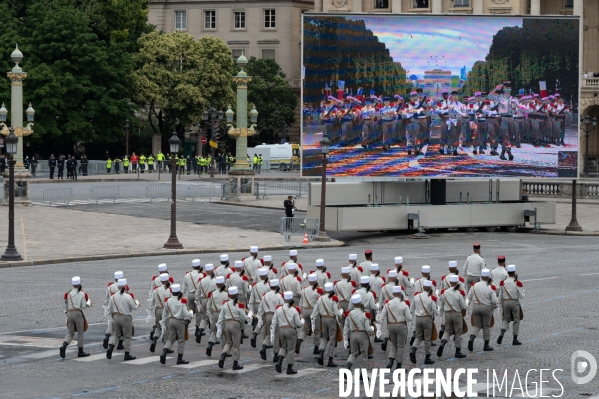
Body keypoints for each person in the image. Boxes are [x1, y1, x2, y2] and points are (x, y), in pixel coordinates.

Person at [216, 286, 251, 370]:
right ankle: (235, 363)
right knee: (236, 344)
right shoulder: (238, 305)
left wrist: (219, 328)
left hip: (226, 324)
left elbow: (220, 318)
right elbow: (244, 317)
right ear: (236, 294)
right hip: (235, 324)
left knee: (228, 343)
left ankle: (223, 356)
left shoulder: (225, 304)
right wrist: (250, 316)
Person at [378, 285, 412, 370]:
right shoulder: (404, 304)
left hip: (390, 326)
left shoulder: (387, 304)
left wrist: (379, 328)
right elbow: (409, 318)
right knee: (401, 346)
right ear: (400, 294)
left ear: (393, 293)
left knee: (393, 344)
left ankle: (391, 360)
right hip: (401, 325)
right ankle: (399, 365)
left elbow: (382, 316)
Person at [106, 278, 140, 361]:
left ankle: (111, 346)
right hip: (125, 317)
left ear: (118, 287)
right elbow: (134, 307)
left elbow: (109, 309)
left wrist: (111, 318)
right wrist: (137, 303)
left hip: (116, 317)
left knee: (116, 334)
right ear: (125, 287)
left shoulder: (113, 296)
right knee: (127, 336)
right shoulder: (128, 296)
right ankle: (127, 354)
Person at [160, 284, 193, 365]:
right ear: (179, 292)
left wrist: (164, 322)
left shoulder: (168, 300)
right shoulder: (182, 301)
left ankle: (164, 352)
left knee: (171, 339)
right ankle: (179, 359)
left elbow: (165, 313)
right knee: (181, 340)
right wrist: (190, 314)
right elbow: (186, 313)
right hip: (180, 321)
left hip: (171, 320)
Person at [311, 282, 342, 367]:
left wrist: (312, 317)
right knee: (332, 339)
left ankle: (321, 353)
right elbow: (336, 311)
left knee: (324, 337)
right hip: (331, 319)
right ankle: (330, 360)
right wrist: (340, 314)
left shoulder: (320, 298)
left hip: (323, 319)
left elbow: (316, 309)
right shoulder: (333, 299)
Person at [436, 275, 467, 359]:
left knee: (447, 331)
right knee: (458, 332)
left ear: (450, 283)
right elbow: (464, 306)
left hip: (447, 314)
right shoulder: (459, 293)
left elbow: (441, 305)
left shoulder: (444, 293)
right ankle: (458, 351)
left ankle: (442, 343)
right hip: (457, 314)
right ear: (457, 283)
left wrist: (441, 315)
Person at [272, 291, 303, 374]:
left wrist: (272, 333)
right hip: (290, 330)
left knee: (283, 347)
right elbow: (298, 324)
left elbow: (274, 321)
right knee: (290, 349)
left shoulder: (279, 309)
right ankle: (289, 368)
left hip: (281, 330)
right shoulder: (293, 310)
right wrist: (302, 321)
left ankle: (279, 362)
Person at [59, 276, 91, 358]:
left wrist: (66, 313)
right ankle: (80, 351)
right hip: (77, 313)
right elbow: (83, 306)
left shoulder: (68, 293)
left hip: (69, 313)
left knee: (70, 332)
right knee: (80, 333)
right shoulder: (82, 294)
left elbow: (65, 305)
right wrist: (88, 303)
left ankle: (64, 345)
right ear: (79, 284)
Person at [466, 269, 497, 352]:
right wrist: (494, 306)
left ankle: (472, 339)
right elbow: (494, 301)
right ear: (488, 277)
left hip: (476, 307)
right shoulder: (490, 287)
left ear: (481, 276)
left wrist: (468, 307)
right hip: (486, 308)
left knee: (477, 326)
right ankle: (486, 345)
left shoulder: (474, 286)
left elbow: (468, 298)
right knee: (486, 326)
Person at [409, 279, 438, 365]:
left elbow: (411, 309)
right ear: (430, 288)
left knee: (418, 337)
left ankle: (413, 349)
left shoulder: (416, 296)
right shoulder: (430, 298)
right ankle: (427, 357)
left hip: (418, 318)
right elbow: (435, 311)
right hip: (427, 319)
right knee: (427, 339)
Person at [343, 294, 374, 372]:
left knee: (353, 353)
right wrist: (372, 329)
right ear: (360, 303)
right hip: (362, 335)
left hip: (353, 335)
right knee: (364, 355)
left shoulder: (349, 314)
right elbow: (367, 328)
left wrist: (345, 339)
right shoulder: (364, 314)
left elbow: (346, 327)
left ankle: (347, 368)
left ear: (353, 304)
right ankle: (362, 374)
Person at [257, 279, 284, 361]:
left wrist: (260, 319)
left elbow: (260, 309)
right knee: (276, 334)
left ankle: (264, 347)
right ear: (276, 287)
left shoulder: (265, 296)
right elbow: (282, 306)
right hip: (275, 315)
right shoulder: (278, 296)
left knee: (268, 333)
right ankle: (276, 354)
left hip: (267, 315)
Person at [496, 264, 524, 346]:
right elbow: (522, 296)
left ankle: (502, 333)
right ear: (514, 272)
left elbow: (500, 295)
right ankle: (515, 339)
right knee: (516, 320)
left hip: (505, 302)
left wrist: (499, 304)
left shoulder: (502, 282)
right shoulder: (518, 283)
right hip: (514, 302)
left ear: (508, 272)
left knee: (506, 319)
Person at [205, 276, 229, 357]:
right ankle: (224, 351)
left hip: (214, 313)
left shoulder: (213, 293)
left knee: (214, 330)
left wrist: (210, 316)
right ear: (223, 284)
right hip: (223, 314)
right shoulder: (226, 294)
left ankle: (210, 344)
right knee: (223, 333)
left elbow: (208, 305)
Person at [149, 273, 173, 353]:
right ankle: (166, 346)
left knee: (158, 327)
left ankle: (155, 339)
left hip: (158, 310)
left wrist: (150, 312)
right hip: (166, 310)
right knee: (167, 328)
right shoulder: (170, 289)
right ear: (167, 280)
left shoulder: (155, 290)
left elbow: (151, 302)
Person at [103, 271, 126, 350]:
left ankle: (107, 336)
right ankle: (120, 343)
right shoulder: (124, 287)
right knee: (123, 326)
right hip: (121, 309)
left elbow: (106, 300)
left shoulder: (109, 287)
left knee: (112, 324)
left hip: (112, 308)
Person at [300, 273, 323, 355]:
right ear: (315, 281)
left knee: (305, 329)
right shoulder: (317, 291)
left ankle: (300, 339)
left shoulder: (304, 290)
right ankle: (316, 348)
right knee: (317, 331)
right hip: (313, 312)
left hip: (305, 310)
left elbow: (300, 303)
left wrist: (301, 313)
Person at [249, 267, 271, 348]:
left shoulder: (255, 286)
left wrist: (252, 310)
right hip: (265, 305)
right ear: (266, 275)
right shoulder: (268, 286)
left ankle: (255, 334)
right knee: (266, 324)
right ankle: (266, 341)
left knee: (260, 321)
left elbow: (251, 299)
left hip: (257, 304)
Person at [182, 259, 204, 338]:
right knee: (199, 313)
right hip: (198, 295)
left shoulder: (187, 275)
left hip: (190, 295)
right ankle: (197, 330)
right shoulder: (201, 275)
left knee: (190, 311)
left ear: (192, 266)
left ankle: (186, 324)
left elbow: (183, 287)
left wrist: (181, 297)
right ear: (199, 266)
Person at [195, 263, 215, 343]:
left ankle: (200, 331)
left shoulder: (201, 281)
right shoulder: (215, 281)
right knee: (212, 319)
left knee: (204, 318)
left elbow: (197, 294)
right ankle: (212, 337)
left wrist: (198, 304)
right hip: (211, 301)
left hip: (203, 300)